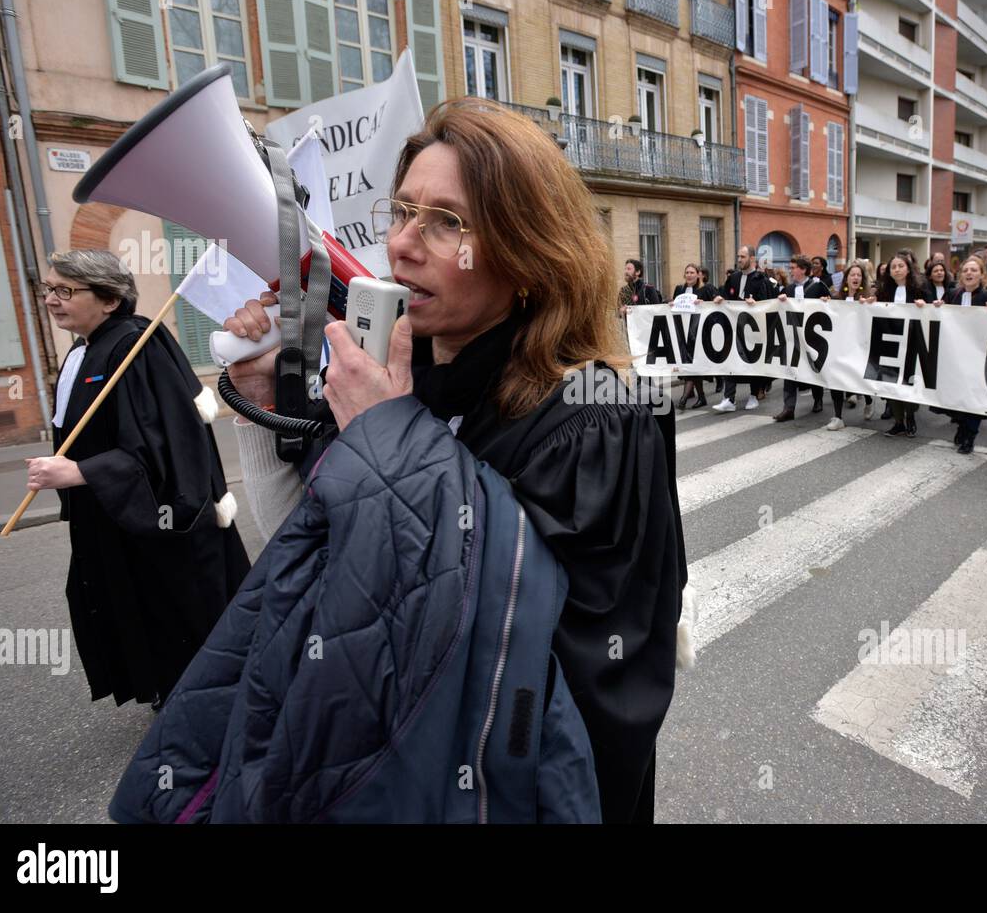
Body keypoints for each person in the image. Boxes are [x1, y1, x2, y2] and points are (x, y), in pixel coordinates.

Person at [222, 98, 686, 822]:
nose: (404, 243)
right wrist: (263, 409)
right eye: (402, 211)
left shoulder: (596, 421)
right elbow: (318, 580)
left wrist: (386, 442)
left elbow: (522, 673)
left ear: (528, 254)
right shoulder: (407, 383)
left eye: (447, 222)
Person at [25, 250, 248, 710]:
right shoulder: (82, 349)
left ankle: (203, 700)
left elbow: (165, 442)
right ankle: (170, 689)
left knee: (168, 604)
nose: (51, 299)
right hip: (110, 512)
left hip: (156, 514)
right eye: (48, 288)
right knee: (133, 604)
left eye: (65, 290)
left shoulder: (134, 345)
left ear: (108, 299)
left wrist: (82, 471)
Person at [932, 255, 987, 454]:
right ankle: (961, 426)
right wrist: (937, 307)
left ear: (982, 275)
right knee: (958, 393)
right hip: (955, 355)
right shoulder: (952, 294)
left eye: (974, 270)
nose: (969, 273)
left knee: (975, 395)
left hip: (980, 356)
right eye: (966, 270)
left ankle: (970, 435)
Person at [865, 252, 929, 437]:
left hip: (911, 343)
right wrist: (870, 303)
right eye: (893, 267)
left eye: (901, 266)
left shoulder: (920, 289)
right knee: (891, 382)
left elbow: (933, 308)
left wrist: (924, 305)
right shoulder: (884, 290)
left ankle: (911, 418)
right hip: (890, 342)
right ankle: (898, 421)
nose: (897, 269)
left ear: (908, 269)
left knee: (908, 382)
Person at [713, 246, 771, 412]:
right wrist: (719, 297)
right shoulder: (734, 277)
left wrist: (756, 303)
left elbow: (766, 302)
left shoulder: (761, 279)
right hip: (734, 327)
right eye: (738, 256)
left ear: (752, 258)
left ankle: (753, 395)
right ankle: (728, 398)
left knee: (752, 361)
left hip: (753, 328)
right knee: (730, 360)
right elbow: (725, 294)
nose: (739, 260)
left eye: (743, 257)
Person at [773, 255, 831, 422]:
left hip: (813, 336)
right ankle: (788, 408)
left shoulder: (818, 286)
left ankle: (818, 398)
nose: (790, 271)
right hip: (792, 336)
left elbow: (832, 305)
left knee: (813, 367)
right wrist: (780, 301)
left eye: (793, 268)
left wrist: (825, 301)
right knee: (790, 370)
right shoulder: (789, 289)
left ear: (803, 269)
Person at [827, 262, 876, 429]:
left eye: (859, 275)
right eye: (852, 275)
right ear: (846, 279)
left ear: (862, 279)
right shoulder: (837, 297)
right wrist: (825, 304)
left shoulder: (868, 298)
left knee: (859, 379)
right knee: (836, 380)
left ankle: (869, 400)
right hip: (840, 346)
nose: (855, 278)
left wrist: (869, 305)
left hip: (859, 347)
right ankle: (837, 417)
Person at [673, 263, 719, 409]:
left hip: (699, 334)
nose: (689, 275)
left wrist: (705, 303)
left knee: (693, 365)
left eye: (692, 272)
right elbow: (674, 306)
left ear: (698, 274)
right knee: (692, 365)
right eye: (687, 272)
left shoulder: (706, 289)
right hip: (684, 333)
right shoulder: (679, 289)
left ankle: (684, 397)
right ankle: (702, 397)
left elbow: (717, 302)